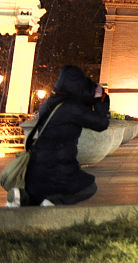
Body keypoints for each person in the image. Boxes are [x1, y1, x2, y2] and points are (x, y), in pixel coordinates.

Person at [11, 65, 110, 207]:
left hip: (34, 167)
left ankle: (22, 198)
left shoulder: (49, 102)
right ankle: (53, 201)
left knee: (40, 193)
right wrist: (100, 102)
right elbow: (101, 124)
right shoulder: (72, 108)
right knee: (88, 186)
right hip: (58, 166)